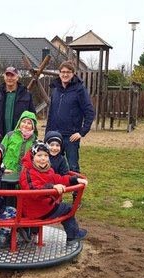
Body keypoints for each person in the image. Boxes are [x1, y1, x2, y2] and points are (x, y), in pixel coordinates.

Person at [18, 140, 88, 244]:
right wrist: (52, 187)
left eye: (46, 155)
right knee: (68, 208)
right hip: (37, 209)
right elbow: (33, 191)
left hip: (42, 205)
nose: (43, 159)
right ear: (32, 157)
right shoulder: (28, 173)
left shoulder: (47, 169)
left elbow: (58, 179)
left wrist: (75, 179)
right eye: (39, 155)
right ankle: (73, 235)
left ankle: (32, 230)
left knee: (62, 206)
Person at [46, 61, 95, 201]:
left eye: (68, 72)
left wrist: (81, 132)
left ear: (73, 74)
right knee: (51, 166)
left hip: (70, 136)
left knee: (72, 167)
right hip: (55, 136)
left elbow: (89, 112)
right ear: (59, 73)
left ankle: (76, 197)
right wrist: (48, 135)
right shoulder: (55, 89)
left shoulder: (79, 89)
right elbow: (51, 113)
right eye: (62, 72)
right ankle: (53, 195)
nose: (65, 74)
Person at [0, 66, 36, 141]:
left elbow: (32, 116)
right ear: (4, 77)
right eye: (7, 75)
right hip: (0, 136)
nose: (9, 78)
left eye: (12, 75)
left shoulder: (26, 94)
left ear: (17, 78)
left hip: (19, 136)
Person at [1, 110, 38, 175]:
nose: (26, 125)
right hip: (7, 171)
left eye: (29, 123)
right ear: (19, 123)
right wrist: (2, 168)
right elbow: (0, 152)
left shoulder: (34, 141)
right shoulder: (10, 135)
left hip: (25, 173)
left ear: (33, 126)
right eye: (23, 122)